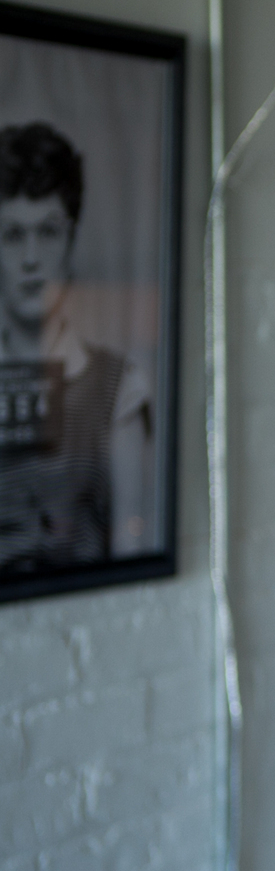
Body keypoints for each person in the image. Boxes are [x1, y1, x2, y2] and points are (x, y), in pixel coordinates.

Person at [0, 120, 155, 571]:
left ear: (70, 239)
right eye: (12, 235)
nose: (31, 258)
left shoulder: (118, 386)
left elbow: (133, 538)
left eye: (47, 231)